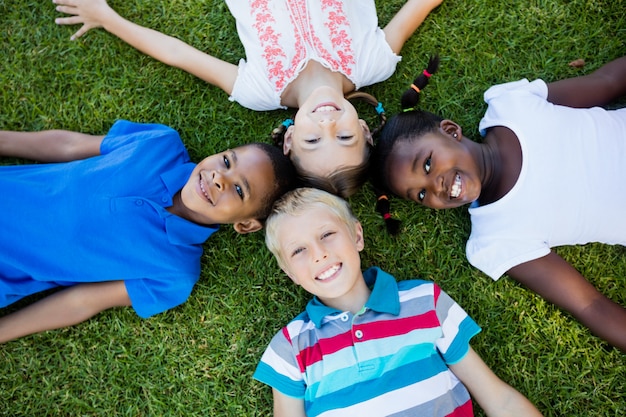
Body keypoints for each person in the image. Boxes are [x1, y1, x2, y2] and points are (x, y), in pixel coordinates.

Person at [51, 0, 443, 197]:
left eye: (312, 139)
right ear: (365, 130)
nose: (327, 124)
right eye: (344, 137)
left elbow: (179, 55)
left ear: (289, 140)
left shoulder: (260, 90)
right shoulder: (374, 64)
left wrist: (108, 18)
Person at [373, 55, 626, 351]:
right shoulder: (495, 238)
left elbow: (606, 82)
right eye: (420, 195)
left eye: (428, 165)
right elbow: (589, 305)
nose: (435, 187)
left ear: (451, 131)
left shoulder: (511, 107)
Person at [0, 120, 297, 343]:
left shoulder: (174, 273)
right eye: (226, 160)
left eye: (238, 189)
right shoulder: (160, 145)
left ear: (245, 225)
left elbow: (82, 301)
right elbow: (70, 146)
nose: (219, 177)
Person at [255, 187, 543, 417]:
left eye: (327, 234)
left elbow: (498, 399)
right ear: (290, 273)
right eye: (299, 251)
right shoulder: (290, 346)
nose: (318, 254)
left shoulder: (423, 301)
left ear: (357, 235)